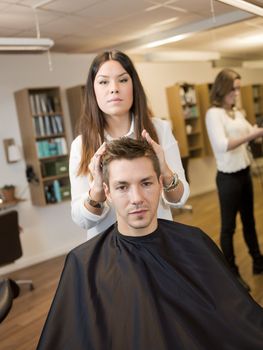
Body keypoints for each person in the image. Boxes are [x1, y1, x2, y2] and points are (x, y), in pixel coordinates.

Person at [37, 138, 263, 350]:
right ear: (107, 192)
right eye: (122, 187)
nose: (136, 198)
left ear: (159, 183)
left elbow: (237, 321)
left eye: (145, 183)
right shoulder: (83, 263)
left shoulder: (194, 242)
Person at [69, 49, 189, 240]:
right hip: (110, 252)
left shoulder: (159, 130)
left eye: (123, 80)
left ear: (134, 85)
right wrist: (98, 189)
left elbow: (179, 200)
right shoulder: (81, 145)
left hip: (157, 242)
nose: (114, 88)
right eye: (103, 81)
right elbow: (82, 220)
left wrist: (164, 170)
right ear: (93, 90)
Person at [206, 68, 263, 291]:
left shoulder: (237, 112)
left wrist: (257, 132)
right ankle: (232, 273)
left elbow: (252, 132)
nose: (237, 93)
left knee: (250, 221)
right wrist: (253, 134)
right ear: (223, 89)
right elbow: (222, 145)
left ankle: (258, 261)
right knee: (228, 227)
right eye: (234, 89)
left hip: (244, 172)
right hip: (227, 179)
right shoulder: (214, 114)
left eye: (238, 89)